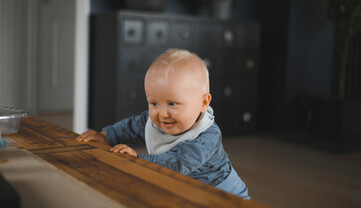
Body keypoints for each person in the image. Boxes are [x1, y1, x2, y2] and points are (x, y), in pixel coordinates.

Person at [77, 48, 249, 199]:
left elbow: (177, 162)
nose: (162, 113)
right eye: (154, 104)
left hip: (223, 194)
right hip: (188, 190)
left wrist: (138, 160)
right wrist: (105, 136)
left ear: (203, 103)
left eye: (173, 104)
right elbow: (129, 127)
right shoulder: (153, 121)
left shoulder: (208, 136)